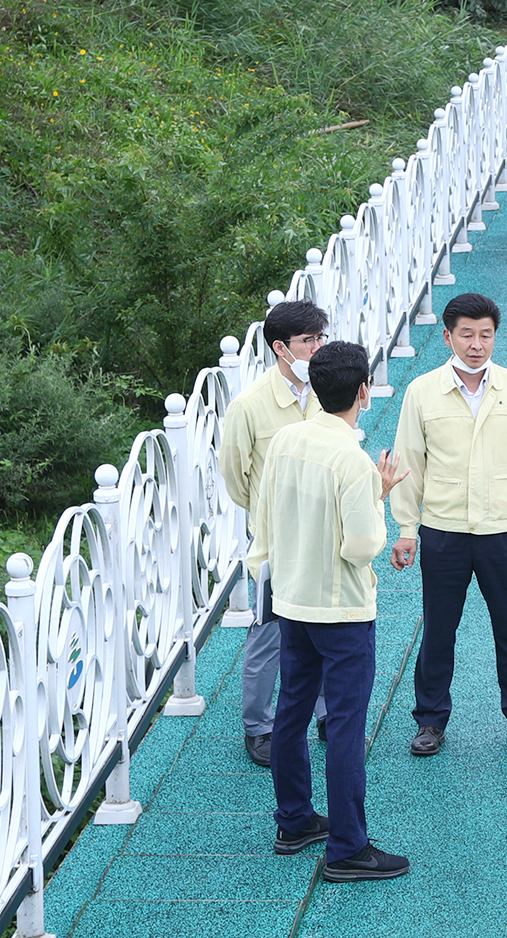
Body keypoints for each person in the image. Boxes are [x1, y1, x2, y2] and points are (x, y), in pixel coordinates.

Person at [249, 341, 411, 880]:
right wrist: (379, 494)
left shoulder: (287, 439)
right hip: (341, 611)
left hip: (290, 600)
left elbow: (265, 515)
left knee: (291, 714)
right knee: (345, 726)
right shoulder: (354, 460)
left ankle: (294, 820)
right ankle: (347, 848)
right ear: (363, 391)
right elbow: (361, 546)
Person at [389, 292, 507, 755]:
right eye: (466, 334)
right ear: (447, 337)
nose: (476, 344)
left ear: (495, 337)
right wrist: (407, 529)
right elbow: (410, 464)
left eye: (485, 334)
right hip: (443, 530)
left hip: (503, 528)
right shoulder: (422, 391)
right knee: (439, 629)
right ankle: (430, 722)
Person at [219, 299, 327, 768]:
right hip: (276, 543)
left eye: (321, 338)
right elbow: (235, 476)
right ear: (281, 348)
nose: (318, 348)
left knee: (329, 624)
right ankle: (259, 727)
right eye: (309, 341)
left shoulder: (326, 389)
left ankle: (326, 714)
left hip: (326, 530)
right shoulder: (250, 406)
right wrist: (269, 514)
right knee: (270, 633)